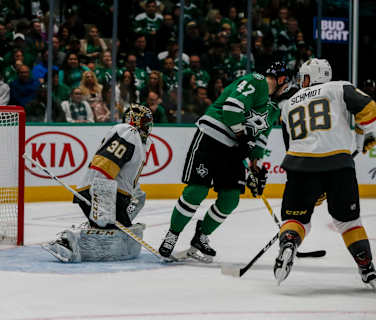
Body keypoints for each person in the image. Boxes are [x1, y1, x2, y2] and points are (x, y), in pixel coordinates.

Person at [158, 61, 289, 262]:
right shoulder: (257, 81)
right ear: (280, 79)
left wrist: (255, 168)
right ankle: (172, 234)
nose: (286, 88)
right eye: (286, 83)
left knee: (230, 199)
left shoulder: (273, 108)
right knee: (196, 191)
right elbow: (231, 108)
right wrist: (242, 135)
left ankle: (201, 236)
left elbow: (261, 138)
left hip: (234, 149)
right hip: (212, 138)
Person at [274, 58, 376, 289]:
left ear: (311, 76)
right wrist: (367, 133)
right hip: (338, 164)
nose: (302, 81)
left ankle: (289, 244)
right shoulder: (338, 87)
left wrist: (315, 188)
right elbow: (369, 108)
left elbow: (290, 144)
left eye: (304, 76)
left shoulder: (288, 104)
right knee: (348, 222)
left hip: (299, 166)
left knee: (295, 219)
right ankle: (367, 267)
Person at [42, 104, 153, 262]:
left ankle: (91, 228)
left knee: (122, 237)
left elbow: (125, 176)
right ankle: (68, 241)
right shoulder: (128, 133)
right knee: (112, 241)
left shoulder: (139, 142)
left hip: (114, 196)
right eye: (147, 123)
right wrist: (103, 202)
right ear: (137, 122)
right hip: (103, 193)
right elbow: (105, 165)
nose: (149, 127)